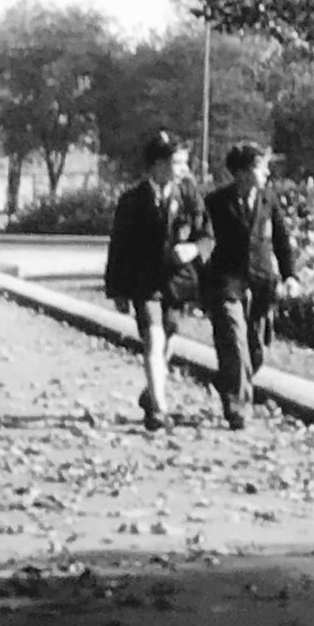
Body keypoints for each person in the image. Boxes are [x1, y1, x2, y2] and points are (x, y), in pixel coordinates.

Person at [103, 129, 209, 432]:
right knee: (154, 339)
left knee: (169, 339)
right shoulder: (132, 201)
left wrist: (194, 250)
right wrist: (117, 290)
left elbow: (207, 236)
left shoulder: (189, 196)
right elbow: (118, 248)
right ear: (158, 165)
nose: (184, 170)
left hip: (178, 282)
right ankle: (159, 411)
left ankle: (153, 391)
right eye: (178, 163)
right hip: (144, 283)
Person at [200, 140, 296, 430]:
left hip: (261, 282)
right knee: (234, 341)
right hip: (227, 282)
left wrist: (290, 275)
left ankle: (228, 382)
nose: (266, 173)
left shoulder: (269, 200)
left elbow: (281, 240)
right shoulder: (216, 203)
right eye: (261, 168)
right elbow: (204, 242)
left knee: (255, 351)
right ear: (241, 172)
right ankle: (238, 406)